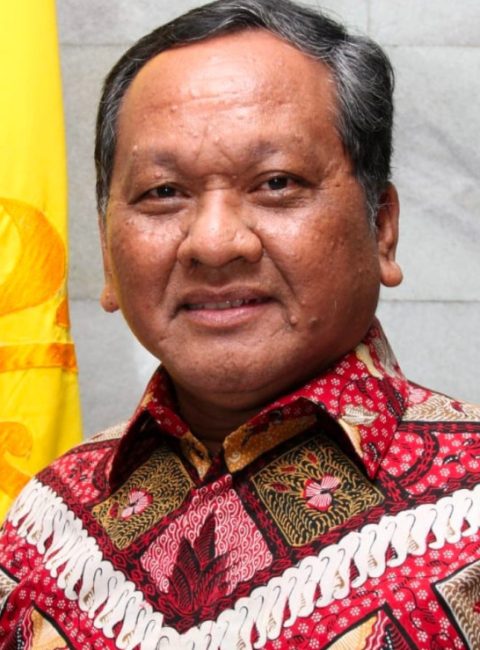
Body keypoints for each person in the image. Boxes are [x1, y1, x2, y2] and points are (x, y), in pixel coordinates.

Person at [1, 0, 479, 647]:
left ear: (382, 228)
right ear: (107, 254)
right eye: (163, 192)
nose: (215, 242)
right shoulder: (43, 524)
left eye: (276, 182)